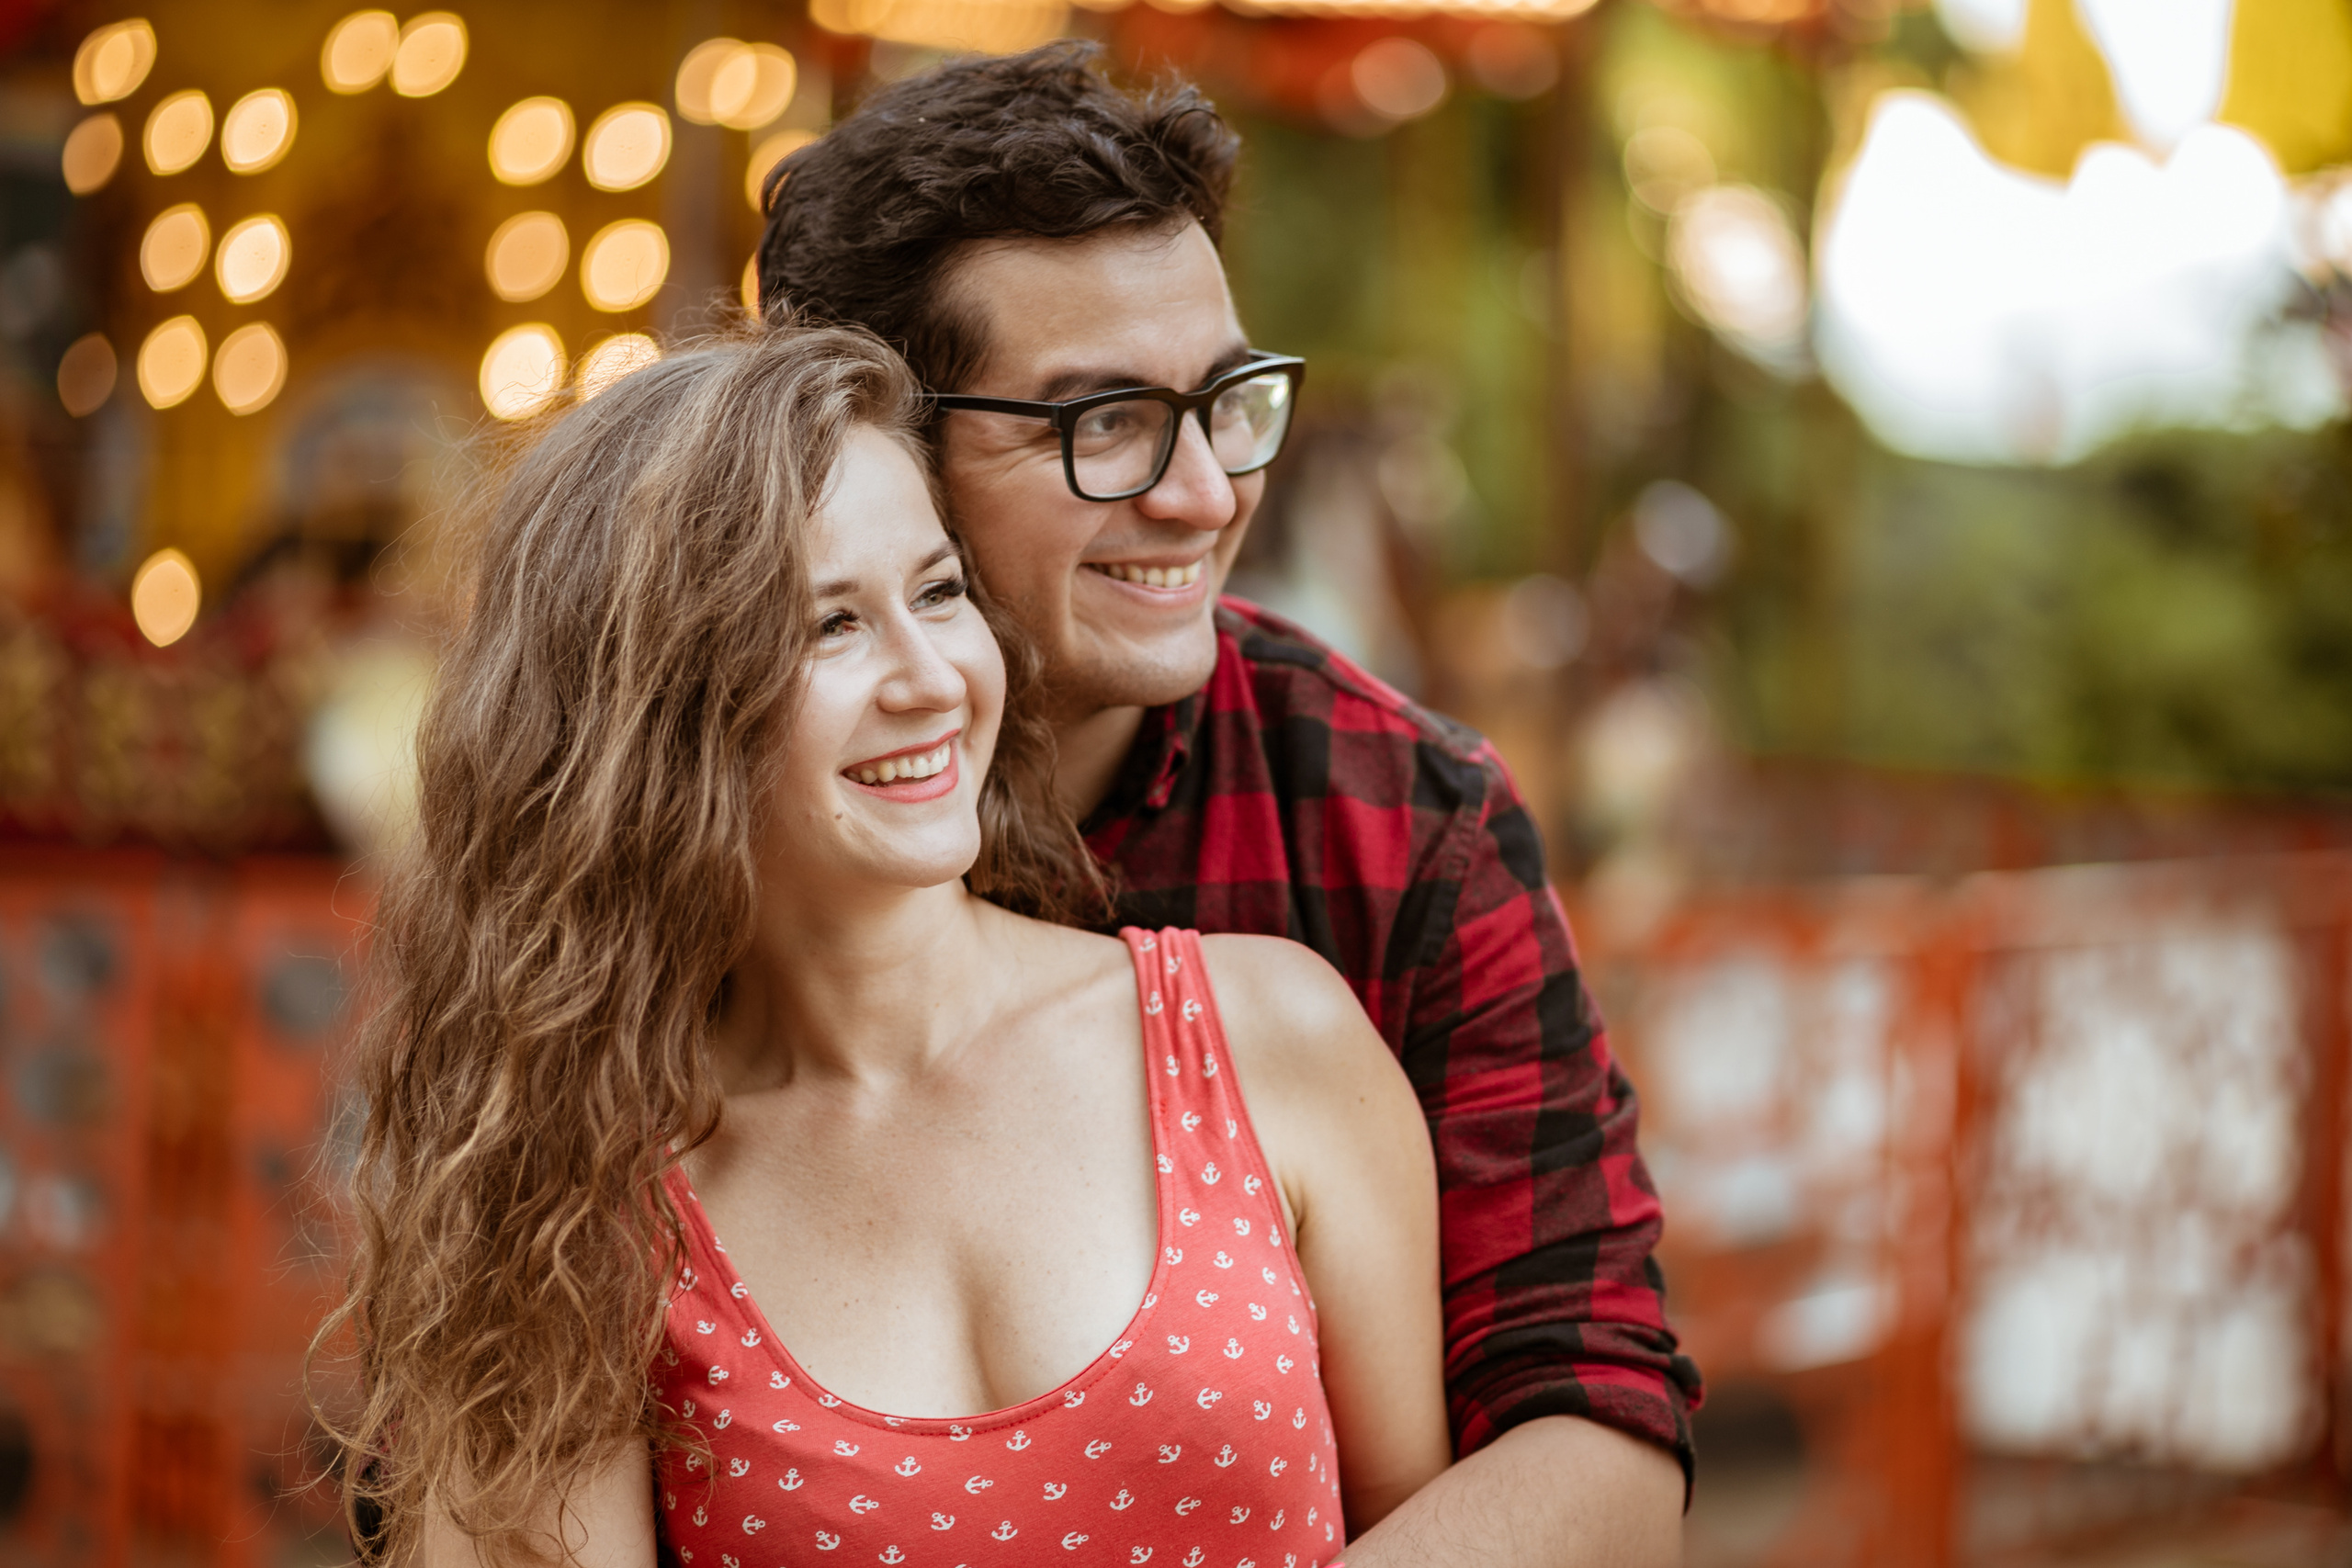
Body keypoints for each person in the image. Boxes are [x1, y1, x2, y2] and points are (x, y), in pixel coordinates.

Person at [755, 42, 1700, 1567]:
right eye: (1104, 421)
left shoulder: (1400, 814)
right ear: (868, 443)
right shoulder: (655, 834)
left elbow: (1597, 1427)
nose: (1202, 493)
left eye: (1224, 401)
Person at [322, 324, 1453, 1565]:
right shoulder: (582, 1206)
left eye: (937, 592)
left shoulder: (1264, 1037)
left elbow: (1434, 1527)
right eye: (830, 627)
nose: (932, 678)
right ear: (654, 722)